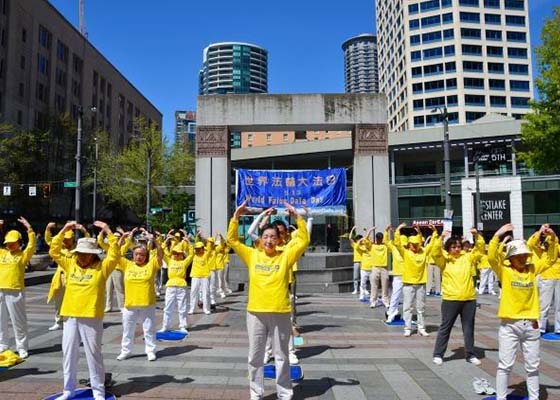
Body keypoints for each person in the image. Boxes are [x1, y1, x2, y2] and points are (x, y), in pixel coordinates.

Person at [228, 201, 309, 400]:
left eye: (273, 236)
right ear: (261, 239)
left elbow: (304, 241)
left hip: (280, 311)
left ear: (279, 239)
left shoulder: (286, 256)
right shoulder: (252, 255)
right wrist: (236, 217)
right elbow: (232, 240)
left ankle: (284, 392)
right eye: (266, 236)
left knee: (281, 356)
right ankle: (256, 392)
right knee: (255, 356)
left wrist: (298, 217)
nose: (269, 240)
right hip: (255, 312)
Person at [49, 220, 120, 400]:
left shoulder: (102, 268)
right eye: (80, 253)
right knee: (69, 353)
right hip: (71, 315)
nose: (83, 257)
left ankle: (98, 391)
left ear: (94, 255)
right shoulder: (69, 263)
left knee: (93, 354)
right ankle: (68, 390)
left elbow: (115, 254)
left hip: (91, 316)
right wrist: (64, 229)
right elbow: (54, 250)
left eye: (87, 254)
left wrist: (107, 230)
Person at [488, 223, 558, 400]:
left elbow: (550, 259)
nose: (522, 258)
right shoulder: (504, 271)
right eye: (518, 255)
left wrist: (552, 237)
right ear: (510, 257)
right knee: (505, 365)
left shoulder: (532, 270)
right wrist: (499, 234)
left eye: (524, 255)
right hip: (509, 325)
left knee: (533, 366)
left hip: (531, 325)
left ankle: (534, 398)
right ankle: (501, 398)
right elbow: (491, 257)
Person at [431, 228, 484, 366]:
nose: (456, 249)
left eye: (459, 246)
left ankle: (470, 354)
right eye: (453, 247)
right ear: (448, 248)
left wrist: (477, 236)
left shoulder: (467, 257)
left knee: (468, 328)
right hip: (450, 299)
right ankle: (438, 354)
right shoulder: (445, 260)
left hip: (469, 299)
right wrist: (440, 237)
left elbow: (479, 249)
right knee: (445, 327)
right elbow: (435, 252)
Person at [116, 231, 163, 362]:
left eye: (142, 255)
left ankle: (150, 351)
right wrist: (123, 240)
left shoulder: (151, 265)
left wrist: (155, 241)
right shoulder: (127, 264)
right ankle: (126, 351)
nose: (139, 257)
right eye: (136, 254)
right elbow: (116, 254)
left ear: (146, 256)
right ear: (133, 256)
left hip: (147, 303)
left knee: (149, 329)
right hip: (130, 304)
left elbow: (160, 255)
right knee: (127, 329)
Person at [0, 217, 35, 359]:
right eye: (8, 243)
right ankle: (2, 344)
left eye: (13, 243)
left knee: (18, 321)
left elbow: (32, 244)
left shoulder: (23, 255)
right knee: (0, 320)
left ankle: (22, 346)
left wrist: (28, 227)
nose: (10, 245)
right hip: (0, 289)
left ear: (19, 243)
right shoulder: (2, 253)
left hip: (15, 291)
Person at [395, 223, 437, 337]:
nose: (415, 246)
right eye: (413, 244)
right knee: (407, 307)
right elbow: (397, 243)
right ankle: (407, 328)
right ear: (409, 244)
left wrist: (434, 232)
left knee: (421, 308)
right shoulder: (405, 253)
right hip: (408, 284)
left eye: (417, 244)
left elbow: (432, 245)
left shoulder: (423, 252)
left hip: (421, 284)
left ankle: (421, 328)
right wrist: (398, 229)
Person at [45, 222, 89, 331]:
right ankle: (58, 321)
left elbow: (89, 242)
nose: (65, 241)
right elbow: (49, 241)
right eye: (64, 239)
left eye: (68, 239)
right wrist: (48, 229)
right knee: (58, 301)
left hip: (74, 277)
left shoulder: (78, 248)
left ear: (72, 238)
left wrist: (84, 230)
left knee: (74, 300)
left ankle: (74, 321)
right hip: (60, 278)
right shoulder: (60, 248)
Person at [527, 224, 560, 334]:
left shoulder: (556, 246)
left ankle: (558, 328)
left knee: (559, 306)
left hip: (559, 278)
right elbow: (530, 243)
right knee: (544, 305)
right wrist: (540, 231)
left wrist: (553, 235)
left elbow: (554, 243)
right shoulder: (540, 250)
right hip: (546, 277)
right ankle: (541, 327)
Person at [160, 239, 193, 333]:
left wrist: (189, 242)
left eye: (178, 253)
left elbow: (191, 254)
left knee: (182, 307)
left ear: (181, 254)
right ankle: (165, 326)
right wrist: (166, 240)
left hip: (181, 286)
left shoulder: (184, 262)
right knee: (168, 307)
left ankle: (183, 326)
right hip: (170, 286)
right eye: (174, 253)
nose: (176, 255)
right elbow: (162, 251)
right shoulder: (169, 260)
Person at [367, 229, 390, 308]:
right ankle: (373, 301)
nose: (380, 240)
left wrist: (386, 231)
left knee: (385, 285)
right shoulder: (372, 246)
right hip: (375, 267)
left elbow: (388, 241)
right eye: (378, 238)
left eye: (381, 238)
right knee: (374, 285)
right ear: (376, 239)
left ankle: (385, 300)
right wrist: (370, 231)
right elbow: (366, 240)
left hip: (384, 267)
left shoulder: (385, 246)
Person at [188, 241, 211, 315]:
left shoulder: (206, 254)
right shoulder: (193, 255)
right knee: (193, 292)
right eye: (196, 249)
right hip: (195, 275)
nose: (197, 250)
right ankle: (192, 309)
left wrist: (204, 248)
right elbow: (190, 248)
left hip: (205, 275)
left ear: (202, 248)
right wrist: (188, 241)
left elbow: (209, 248)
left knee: (206, 293)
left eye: (199, 248)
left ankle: (206, 309)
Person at [348, 227, 364, 296]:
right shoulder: (354, 245)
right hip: (356, 262)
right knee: (356, 276)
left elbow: (367, 240)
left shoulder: (364, 246)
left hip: (363, 262)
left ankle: (364, 289)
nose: (359, 241)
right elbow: (350, 238)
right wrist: (352, 230)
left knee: (363, 277)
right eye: (358, 240)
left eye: (360, 239)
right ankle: (355, 289)